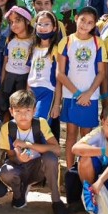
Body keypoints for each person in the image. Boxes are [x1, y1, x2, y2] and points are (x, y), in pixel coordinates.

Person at [0, 90, 71, 214]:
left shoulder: (40, 123)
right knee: (5, 172)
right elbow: (10, 155)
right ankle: (18, 193)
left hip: (38, 167)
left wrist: (28, 145)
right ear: (11, 111)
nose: (23, 115)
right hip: (18, 167)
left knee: (50, 158)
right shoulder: (7, 128)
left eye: (27, 111)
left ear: (34, 110)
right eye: (18, 111)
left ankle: (56, 200)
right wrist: (19, 158)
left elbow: (57, 149)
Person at [57, 6, 108, 168]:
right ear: (76, 18)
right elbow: (60, 73)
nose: (85, 25)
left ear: (94, 25)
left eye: (90, 22)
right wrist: (78, 94)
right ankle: (71, 171)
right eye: (82, 20)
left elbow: (101, 73)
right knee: (71, 134)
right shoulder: (66, 41)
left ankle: (84, 170)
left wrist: (88, 93)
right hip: (70, 95)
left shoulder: (98, 42)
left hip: (90, 98)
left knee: (86, 136)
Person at [28, 10, 63, 140]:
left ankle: (42, 155)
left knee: (41, 124)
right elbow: (30, 71)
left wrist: (56, 104)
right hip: (32, 92)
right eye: (40, 24)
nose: (42, 28)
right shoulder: (33, 47)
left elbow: (59, 79)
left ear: (54, 27)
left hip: (47, 92)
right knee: (28, 123)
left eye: (46, 24)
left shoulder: (55, 50)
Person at [0, 6, 34, 118]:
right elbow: (5, 63)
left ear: (27, 21)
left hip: (23, 79)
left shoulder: (33, 42)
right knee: (1, 107)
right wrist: (2, 83)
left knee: (20, 108)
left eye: (18, 21)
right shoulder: (10, 40)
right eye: (11, 22)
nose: (14, 25)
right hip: (9, 79)